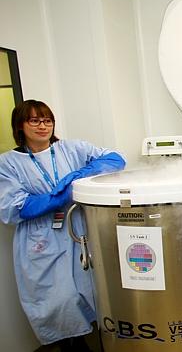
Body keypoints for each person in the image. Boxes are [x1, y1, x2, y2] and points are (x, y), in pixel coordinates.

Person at [0, 100, 126, 351]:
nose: (42, 126)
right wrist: (57, 197)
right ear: (20, 126)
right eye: (34, 120)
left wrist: (77, 177)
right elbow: (15, 207)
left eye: (47, 120)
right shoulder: (8, 163)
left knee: (93, 292)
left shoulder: (71, 149)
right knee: (57, 302)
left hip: (79, 230)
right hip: (41, 240)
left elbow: (115, 159)